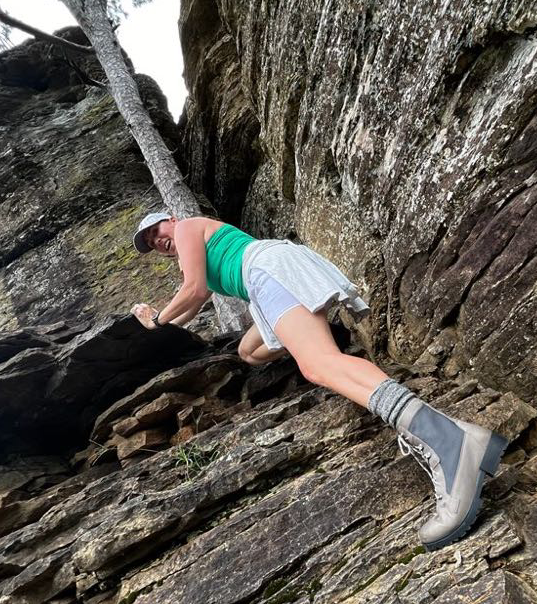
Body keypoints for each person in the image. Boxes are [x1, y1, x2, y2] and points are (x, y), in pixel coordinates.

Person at [130, 212, 507, 550]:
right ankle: (317, 342)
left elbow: (193, 290)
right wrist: (157, 325)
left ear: (171, 219)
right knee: (250, 351)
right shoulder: (191, 249)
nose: (156, 241)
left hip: (265, 269)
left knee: (318, 364)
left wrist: (156, 319)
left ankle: (448, 441)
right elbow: (192, 306)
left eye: (155, 230)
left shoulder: (187, 227)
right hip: (263, 282)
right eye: (150, 243)